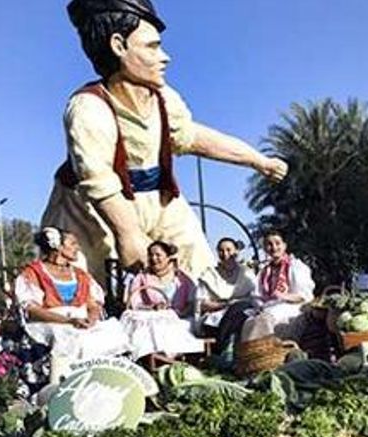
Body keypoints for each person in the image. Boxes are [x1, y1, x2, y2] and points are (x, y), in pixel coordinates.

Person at [42, 0, 288, 287]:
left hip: (158, 198)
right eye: (152, 47)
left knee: (200, 272)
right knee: (83, 287)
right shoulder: (88, 107)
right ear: (118, 45)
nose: (165, 57)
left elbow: (192, 136)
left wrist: (258, 160)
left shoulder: (163, 97)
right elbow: (98, 180)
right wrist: (129, 234)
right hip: (91, 211)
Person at [14, 227, 130, 382]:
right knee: (65, 336)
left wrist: (91, 319)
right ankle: (62, 382)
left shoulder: (80, 275)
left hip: (80, 320)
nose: (78, 248)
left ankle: (100, 381)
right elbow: (32, 310)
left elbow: (93, 304)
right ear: (58, 246)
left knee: (111, 332)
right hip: (50, 321)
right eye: (73, 243)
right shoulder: (34, 273)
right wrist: (68, 321)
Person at [121, 240, 203, 365]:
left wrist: (178, 313)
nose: (154, 258)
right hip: (151, 317)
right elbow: (134, 303)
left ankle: (168, 358)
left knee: (169, 327)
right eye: (151, 255)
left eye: (158, 255)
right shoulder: (142, 278)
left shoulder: (182, 278)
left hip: (179, 318)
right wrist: (151, 307)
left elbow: (192, 303)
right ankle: (151, 357)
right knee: (149, 327)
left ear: (168, 257)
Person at [239, 230, 316, 345]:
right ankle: (252, 352)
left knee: (265, 319)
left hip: (293, 308)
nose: (274, 247)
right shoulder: (265, 271)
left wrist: (282, 297)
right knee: (249, 321)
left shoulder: (295, 266)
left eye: (277, 243)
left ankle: (268, 349)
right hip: (267, 307)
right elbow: (257, 295)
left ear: (284, 246)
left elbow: (304, 296)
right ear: (265, 248)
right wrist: (261, 306)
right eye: (269, 244)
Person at [195, 237, 257, 353]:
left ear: (236, 252)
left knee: (241, 311)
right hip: (216, 316)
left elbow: (254, 298)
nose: (225, 254)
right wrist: (226, 305)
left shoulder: (246, 273)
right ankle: (224, 347)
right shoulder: (209, 275)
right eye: (221, 251)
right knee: (232, 313)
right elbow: (202, 304)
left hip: (243, 313)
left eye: (229, 250)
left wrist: (236, 305)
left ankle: (225, 347)